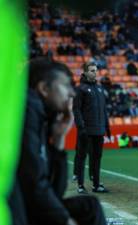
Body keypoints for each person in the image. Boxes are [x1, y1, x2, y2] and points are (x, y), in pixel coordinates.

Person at [14, 58, 107, 225]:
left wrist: (58, 139)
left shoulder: (42, 117)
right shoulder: (26, 112)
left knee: (89, 206)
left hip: (27, 208)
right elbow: (34, 187)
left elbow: (55, 191)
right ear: (43, 88)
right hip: (16, 213)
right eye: (65, 85)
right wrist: (65, 220)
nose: (71, 93)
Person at [73, 62, 110, 194]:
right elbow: (76, 109)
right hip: (86, 130)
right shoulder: (80, 89)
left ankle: (96, 184)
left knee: (97, 157)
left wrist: (107, 127)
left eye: (96, 70)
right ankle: (81, 185)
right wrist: (80, 127)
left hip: (99, 130)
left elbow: (104, 110)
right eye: (92, 70)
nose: (95, 73)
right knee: (82, 157)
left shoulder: (100, 89)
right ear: (85, 73)